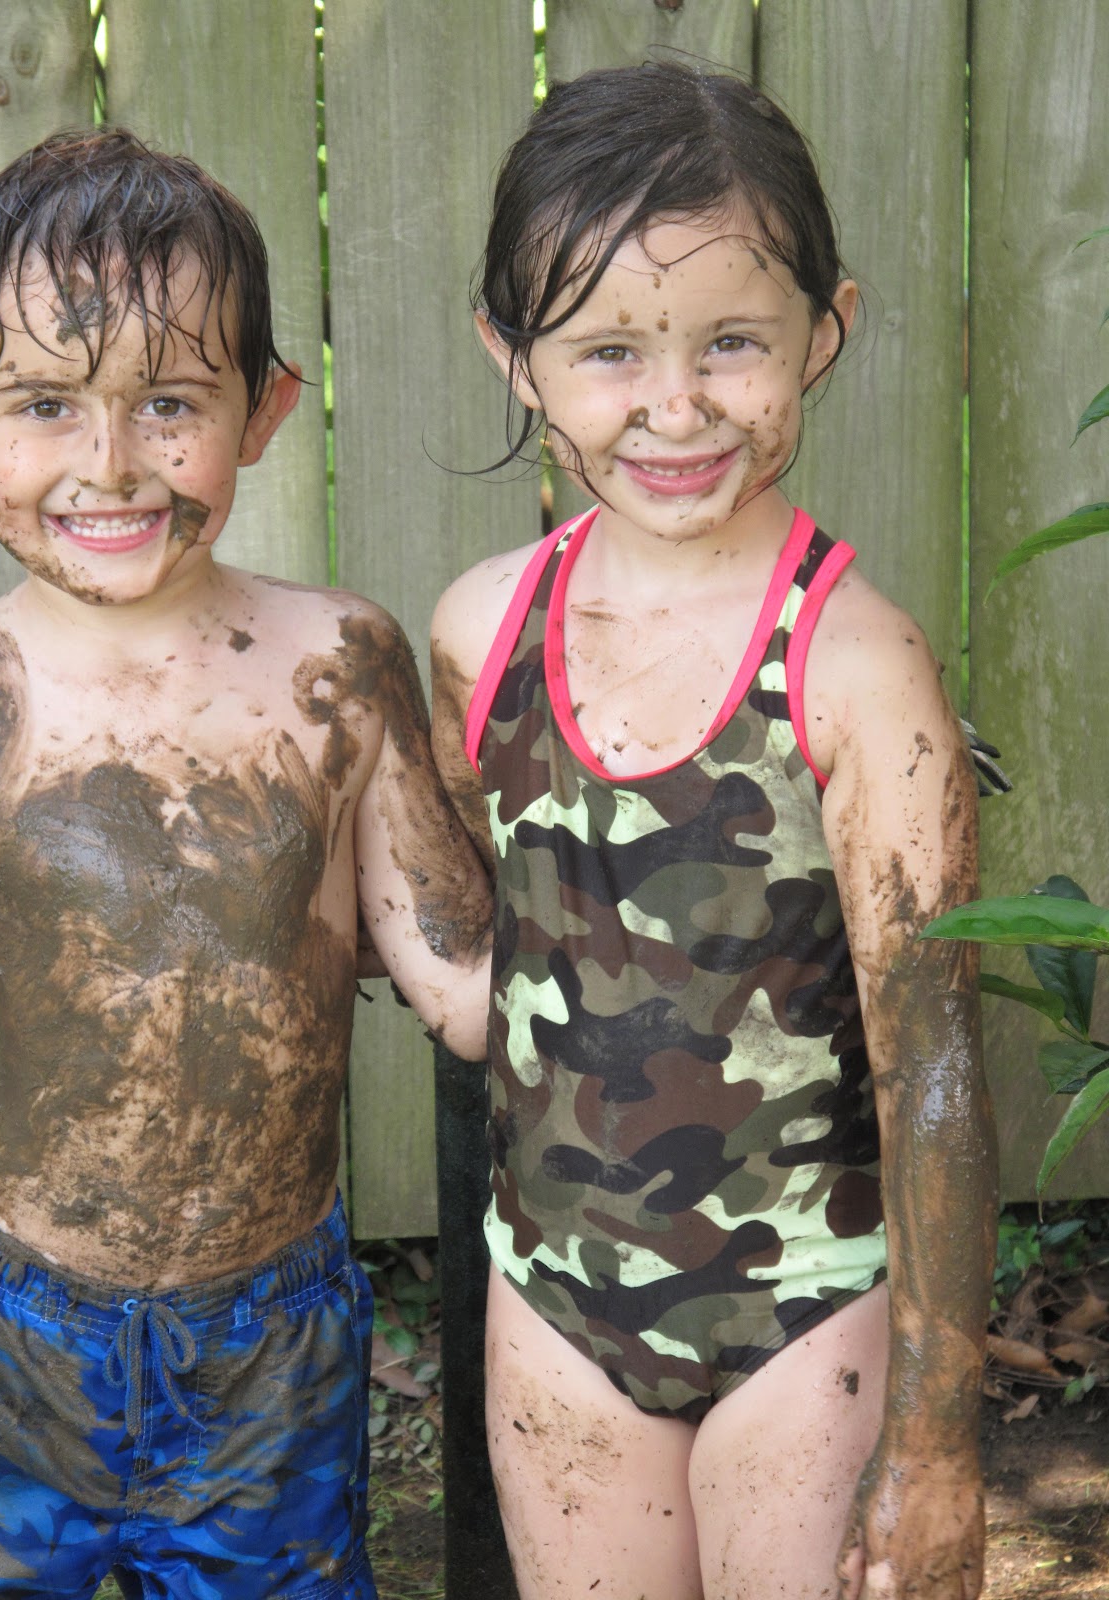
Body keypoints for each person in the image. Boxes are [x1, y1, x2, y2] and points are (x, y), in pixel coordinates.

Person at [430, 63, 997, 1600]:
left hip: (807, 1316)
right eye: (609, 351)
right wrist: (447, 977)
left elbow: (934, 1068)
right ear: (516, 358)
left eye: (732, 342)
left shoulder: (857, 670)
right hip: (556, 1310)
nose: (674, 407)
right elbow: (506, 927)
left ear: (828, 329)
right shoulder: (484, 635)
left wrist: (939, 1443)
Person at [0, 128, 491, 1600]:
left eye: (168, 403)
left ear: (268, 407)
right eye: (43, 404)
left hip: (270, 1338)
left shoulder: (337, 663)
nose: (110, 464)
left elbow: (464, 974)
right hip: (8, 1329)